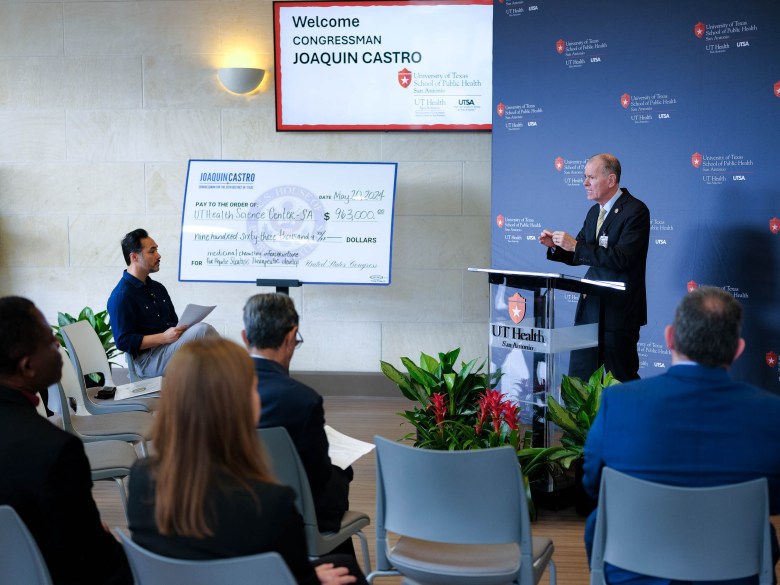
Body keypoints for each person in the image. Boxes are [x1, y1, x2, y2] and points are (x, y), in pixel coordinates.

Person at [126, 338, 364, 585]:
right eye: (253, 387)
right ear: (238, 407)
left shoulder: (142, 479)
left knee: (340, 565)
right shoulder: (271, 505)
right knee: (345, 571)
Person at [582, 287, 780, 585]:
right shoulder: (771, 414)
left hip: (633, 573)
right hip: (732, 574)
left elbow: (593, 485)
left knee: (597, 521)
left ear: (670, 337)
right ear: (738, 349)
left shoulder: (618, 403)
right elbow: (774, 501)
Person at [0, 296, 132, 585]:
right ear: (27, 366)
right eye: (50, 342)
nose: (58, 346)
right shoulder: (55, 450)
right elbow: (89, 559)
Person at [241, 293, 353, 541]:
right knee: (339, 475)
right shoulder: (303, 399)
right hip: (289, 512)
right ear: (291, 337)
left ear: (245, 337)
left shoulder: (216, 387)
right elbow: (318, 476)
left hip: (231, 507)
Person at [540, 153, 649, 382]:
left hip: (618, 315)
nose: (585, 183)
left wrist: (576, 246)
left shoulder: (636, 211)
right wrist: (556, 247)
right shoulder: (593, 212)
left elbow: (621, 258)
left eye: (591, 177)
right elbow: (580, 253)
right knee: (579, 382)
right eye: (584, 177)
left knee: (620, 381)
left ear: (611, 180)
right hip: (589, 313)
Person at [107, 228, 218, 377]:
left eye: (156, 250)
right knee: (203, 330)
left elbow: (173, 322)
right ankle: (242, 374)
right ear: (134, 257)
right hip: (147, 361)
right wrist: (163, 338)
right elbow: (123, 341)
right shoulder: (122, 295)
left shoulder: (158, 288)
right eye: (152, 251)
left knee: (205, 350)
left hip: (168, 348)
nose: (158, 255)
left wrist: (179, 331)